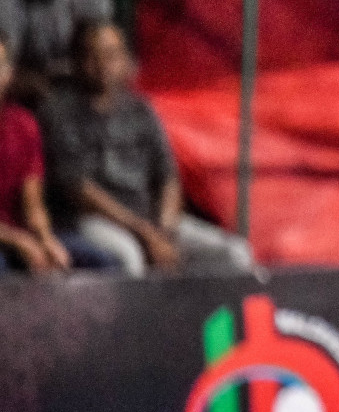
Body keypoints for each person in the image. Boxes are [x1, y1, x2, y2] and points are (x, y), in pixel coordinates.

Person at [39, 21, 253, 277]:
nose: (102, 64)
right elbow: (78, 190)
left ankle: (218, 318)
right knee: (130, 257)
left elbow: (168, 176)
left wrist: (163, 228)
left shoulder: (140, 110)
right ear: (75, 61)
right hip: (92, 220)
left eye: (111, 55)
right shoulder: (57, 112)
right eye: (91, 55)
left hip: (152, 219)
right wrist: (144, 233)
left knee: (234, 253)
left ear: (125, 59)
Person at [0, 33, 115, 273]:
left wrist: (45, 240)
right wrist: (20, 242)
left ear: (9, 73)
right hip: (8, 240)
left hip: (21, 235)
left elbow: (33, 203)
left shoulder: (23, 124)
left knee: (104, 262)